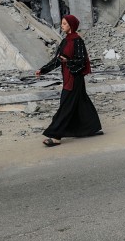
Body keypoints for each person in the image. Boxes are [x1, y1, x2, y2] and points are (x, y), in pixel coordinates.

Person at [36, 14, 102, 147]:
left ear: (71, 26)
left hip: (75, 79)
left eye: (65, 23)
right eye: (62, 23)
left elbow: (82, 61)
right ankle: (91, 127)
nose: (62, 25)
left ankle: (55, 136)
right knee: (81, 103)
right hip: (67, 78)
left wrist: (69, 61)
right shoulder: (65, 41)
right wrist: (43, 70)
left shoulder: (78, 41)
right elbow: (57, 60)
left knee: (65, 106)